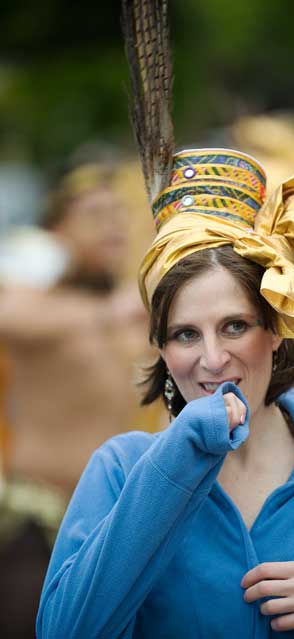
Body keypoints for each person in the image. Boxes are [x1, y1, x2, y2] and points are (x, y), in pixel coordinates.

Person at [37, 2, 294, 637]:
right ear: (160, 347)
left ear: (276, 329)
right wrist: (180, 457)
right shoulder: (123, 467)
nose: (212, 359)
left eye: (235, 326)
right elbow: (66, 629)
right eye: (185, 334)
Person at [0, 163, 160, 639]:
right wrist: (106, 314)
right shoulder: (33, 302)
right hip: (35, 522)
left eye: (118, 213)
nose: (112, 225)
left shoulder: (134, 313)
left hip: (115, 527)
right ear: (56, 229)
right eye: (94, 214)